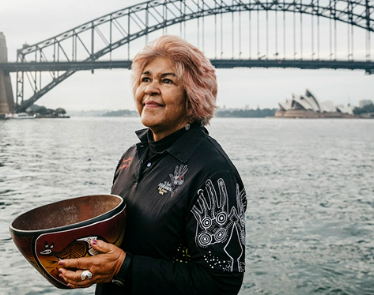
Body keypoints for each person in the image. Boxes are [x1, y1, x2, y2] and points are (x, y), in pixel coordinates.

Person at [58, 35, 247, 294]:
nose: (150, 88)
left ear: (193, 95)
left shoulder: (213, 172)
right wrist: (88, 264)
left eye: (166, 80)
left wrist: (123, 268)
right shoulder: (130, 158)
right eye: (145, 79)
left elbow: (221, 283)